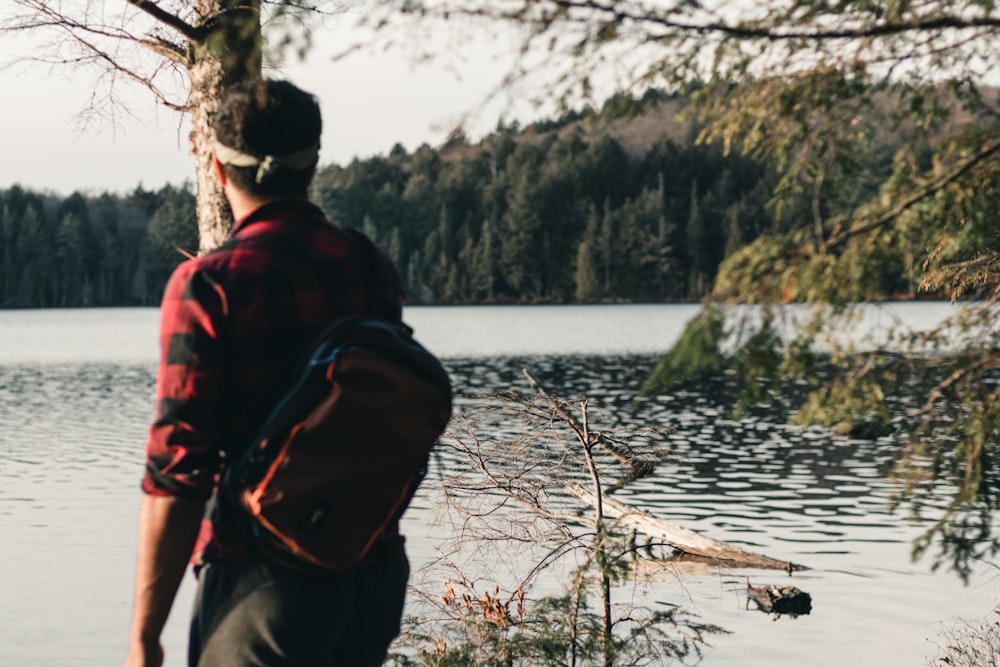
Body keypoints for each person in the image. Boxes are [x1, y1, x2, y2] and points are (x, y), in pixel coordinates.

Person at [124, 78, 409, 667]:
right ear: (313, 168)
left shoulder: (209, 286)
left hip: (265, 586)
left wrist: (144, 637)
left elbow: (179, 473)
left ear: (217, 169)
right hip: (370, 577)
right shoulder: (367, 265)